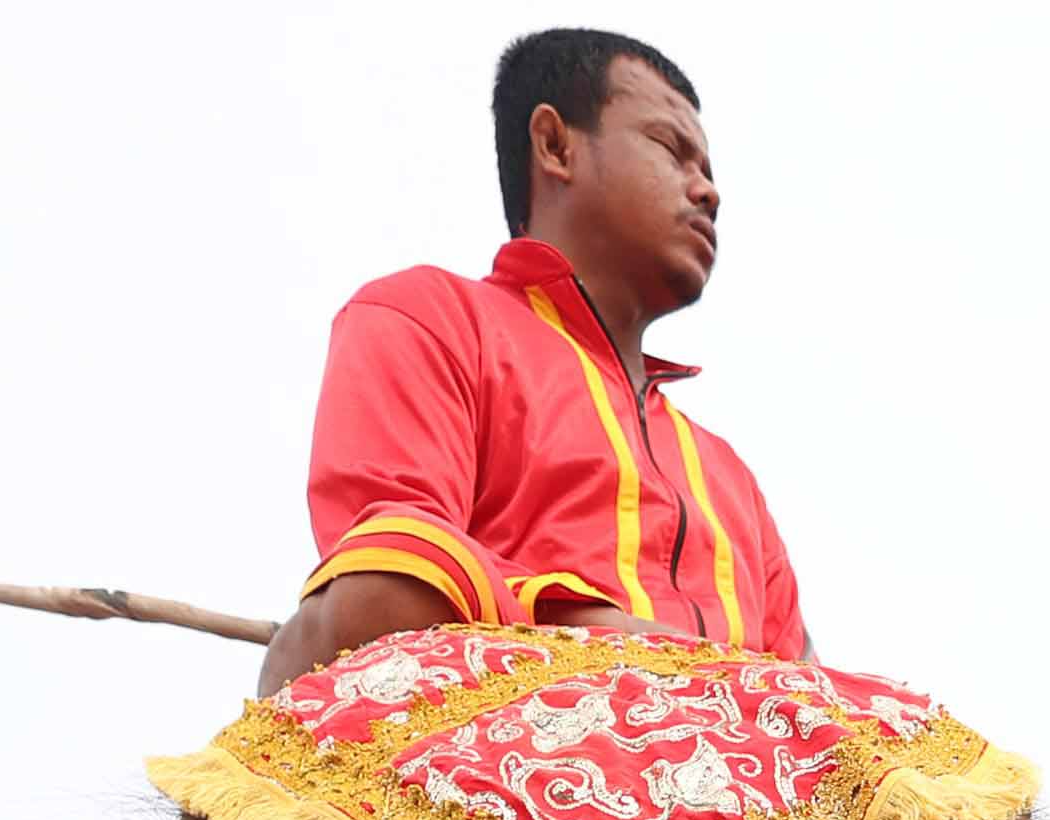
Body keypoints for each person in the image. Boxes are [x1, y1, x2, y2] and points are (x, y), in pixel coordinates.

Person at [259, 30, 806, 696]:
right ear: (554, 145)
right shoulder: (427, 316)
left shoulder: (732, 482)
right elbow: (389, 583)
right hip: (502, 734)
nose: (707, 193)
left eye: (711, 174)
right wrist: (612, 638)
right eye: (672, 150)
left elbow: (803, 690)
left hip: (736, 772)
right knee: (399, 567)